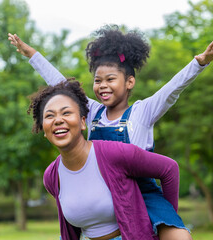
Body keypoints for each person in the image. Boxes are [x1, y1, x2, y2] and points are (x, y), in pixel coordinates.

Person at [9, 25, 213, 239]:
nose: (102, 85)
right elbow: (61, 84)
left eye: (110, 79)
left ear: (129, 82)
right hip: (106, 188)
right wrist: (32, 55)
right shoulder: (92, 111)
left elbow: (172, 89)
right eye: (97, 81)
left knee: (179, 236)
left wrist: (199, 63)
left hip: (143, 193)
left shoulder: (143, 111)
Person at [28, 79, 180, 240]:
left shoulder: (115, 154)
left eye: (66, 113)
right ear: (43, 129)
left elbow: (169, 169)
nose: (58, 120)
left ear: (82, 122)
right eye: (49, 116)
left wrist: (169, 223)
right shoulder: (52, 176)